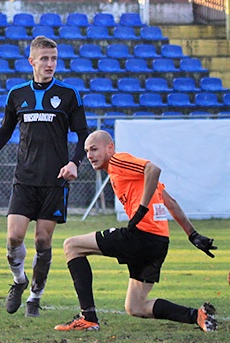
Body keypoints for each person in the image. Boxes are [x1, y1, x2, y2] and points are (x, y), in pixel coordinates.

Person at [0, 35, 89, 318]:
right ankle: (19, 280)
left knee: (42, 242)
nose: (50, 64)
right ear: (31, 61)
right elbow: (4, 131)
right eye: (44, 59)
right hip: (24, 179)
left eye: (54, 59)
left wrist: (74, 163)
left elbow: (83, 134)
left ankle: (35, 295)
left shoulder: (69, 95)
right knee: (14, 237)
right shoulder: (16, 94)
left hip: (55, 181)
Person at [55, 131, 218, 332]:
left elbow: (153, 169)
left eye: (94, 149)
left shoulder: (118, 161)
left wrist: (141, 209)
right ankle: (197, 316)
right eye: (87, 151)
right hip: (158, 243)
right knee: (136, 306)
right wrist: (193, 235)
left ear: (110, 148)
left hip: (141, 235)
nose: (89, 155)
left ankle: (88, 318)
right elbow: (170, 203)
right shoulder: (131, 175)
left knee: (72, 246)